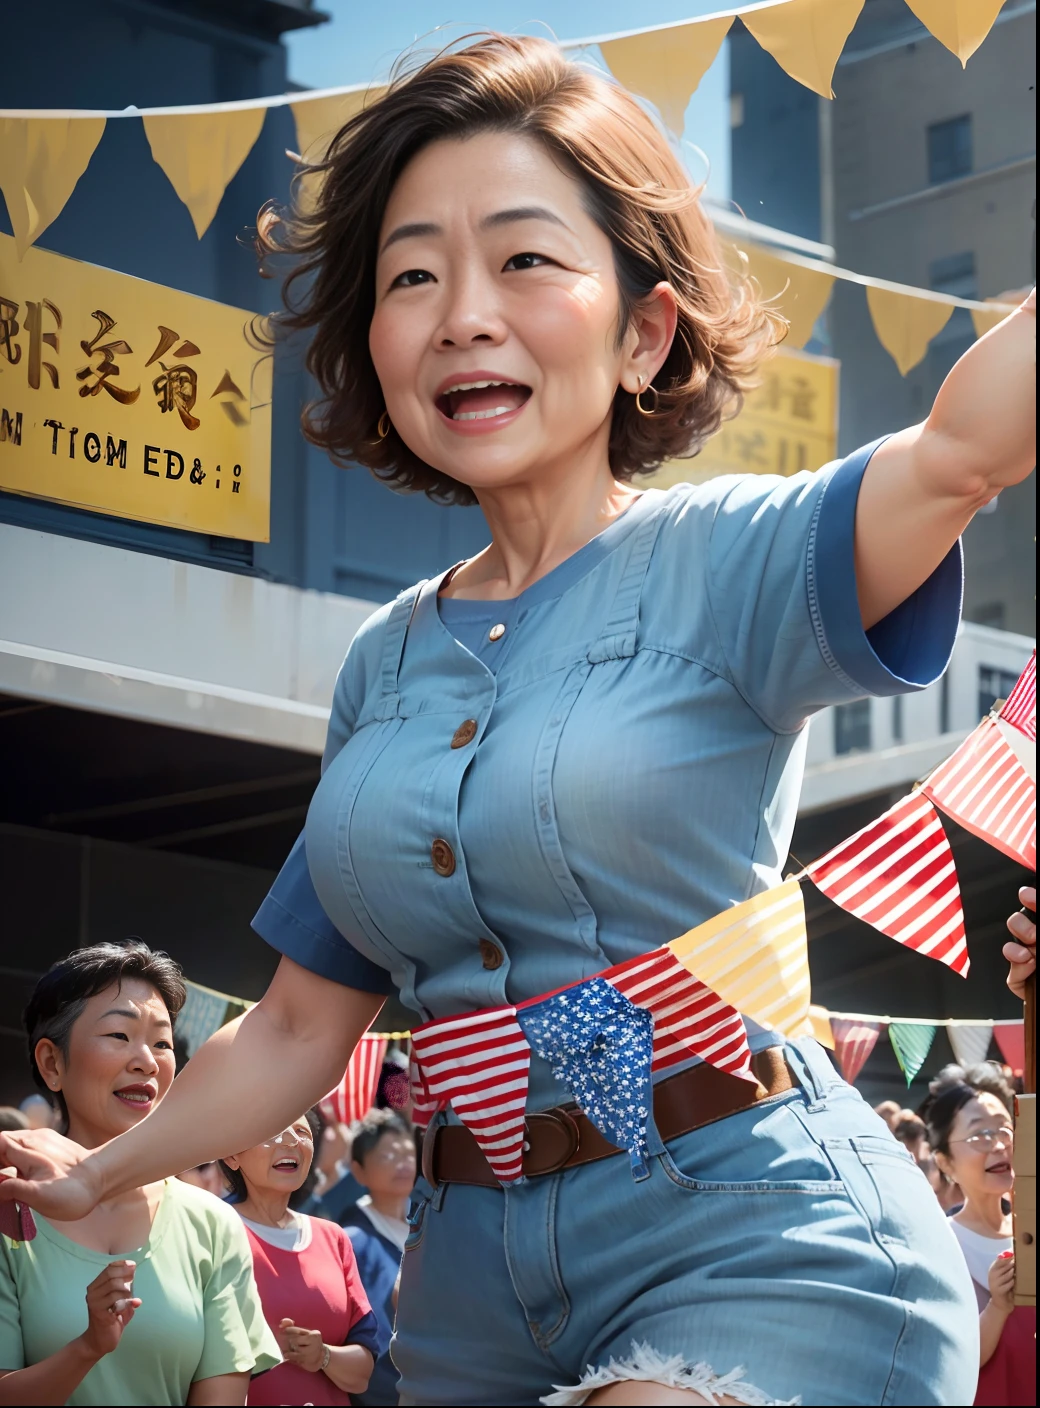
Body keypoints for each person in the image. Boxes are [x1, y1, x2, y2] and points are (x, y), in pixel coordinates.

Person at [2, 33, 1035, 1406]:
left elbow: (965, 449)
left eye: (525, 262)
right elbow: (304, 1024)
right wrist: (98, 1171)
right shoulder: (383, 664)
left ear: (645, 328)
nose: (461, 314)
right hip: (464, 1302)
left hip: (759, 1235)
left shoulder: (735, 555)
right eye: (412, 275)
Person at [0, 942, 279, 1406]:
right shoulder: (8, 1210)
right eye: (119, 1035)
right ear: (52, 1063)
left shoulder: (212, 1225)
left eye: (162, 1042)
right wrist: (86, 1349)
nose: (147, 1062)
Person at [220, 1114, 379, 1406]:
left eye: (302, 1132)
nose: (292, 1141)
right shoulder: (213, 1228)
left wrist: (323, 1356)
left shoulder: (333, 1237)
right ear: (232, 1155)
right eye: (273, 1133)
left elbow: (363, 1372)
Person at [927, 1079, 1035, 1405]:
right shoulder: (940, 1242)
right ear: (945, 1162)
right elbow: (950, 1362)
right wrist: (998, 1308)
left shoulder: (1030, 1229)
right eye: (980, 1135)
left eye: (1004, 1129)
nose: (999, 1144)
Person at [340, 1111, 417, 1405]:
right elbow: (372, 1340)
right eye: (387, 1155)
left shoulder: (429, 1223)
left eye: (408, 1153)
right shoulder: (353, 1240)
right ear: (358, 1170)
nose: (403, 1163)